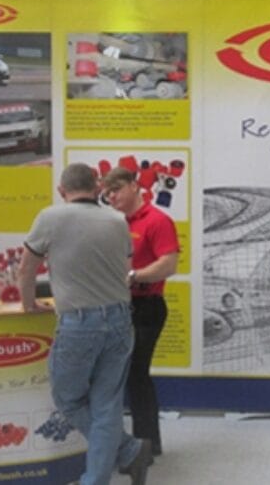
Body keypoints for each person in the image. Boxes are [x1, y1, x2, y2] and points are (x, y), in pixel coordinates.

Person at [17, 163, 153, 485]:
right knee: (107, 404)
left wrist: (28, 305)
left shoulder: (50, 217)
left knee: (68, 398)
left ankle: (128, 451)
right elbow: (126, 267)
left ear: (62, 191)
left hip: (79, 322)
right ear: (96, 188)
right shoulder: (119, 221)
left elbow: (26, 270)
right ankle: (125, 452)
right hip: (120, 318)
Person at [102, 166, 179, 457]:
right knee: (116, 375)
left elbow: (169, 264)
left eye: (116, 190)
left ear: (134, 186)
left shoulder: (157, 220)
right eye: (107, 193)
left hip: (145, 306)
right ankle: (122, 444)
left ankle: (146, 445)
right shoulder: (112, 222)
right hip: (116, 305)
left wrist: (134, 276)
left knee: (136, 373)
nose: (111, 197)